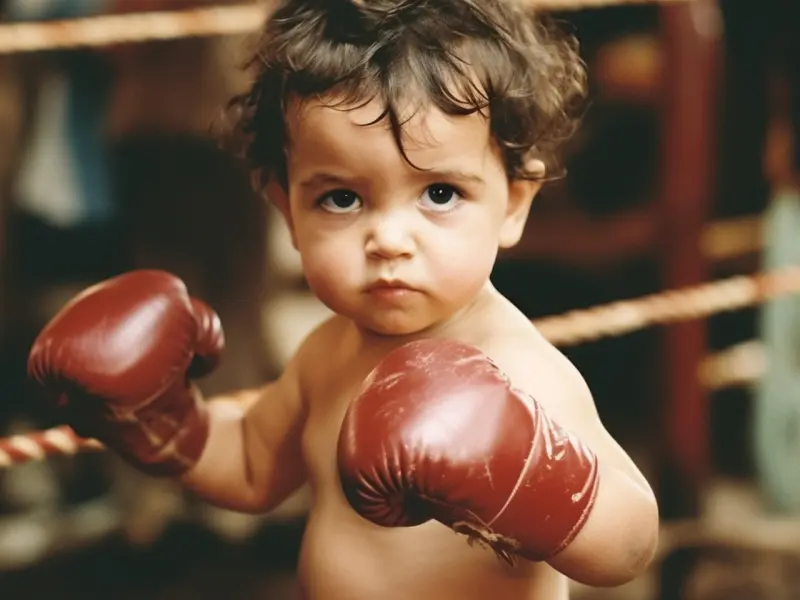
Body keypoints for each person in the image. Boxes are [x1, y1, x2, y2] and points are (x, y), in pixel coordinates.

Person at [27, 1, 659, 598]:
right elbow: (251, 466)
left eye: (439, 194)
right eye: (341, 199)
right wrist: (161, 422)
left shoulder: (516, 367)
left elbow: (629, 542)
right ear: (287, 210)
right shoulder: (328, 352)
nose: (388, 238)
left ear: (514, 203)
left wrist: (528, 473)